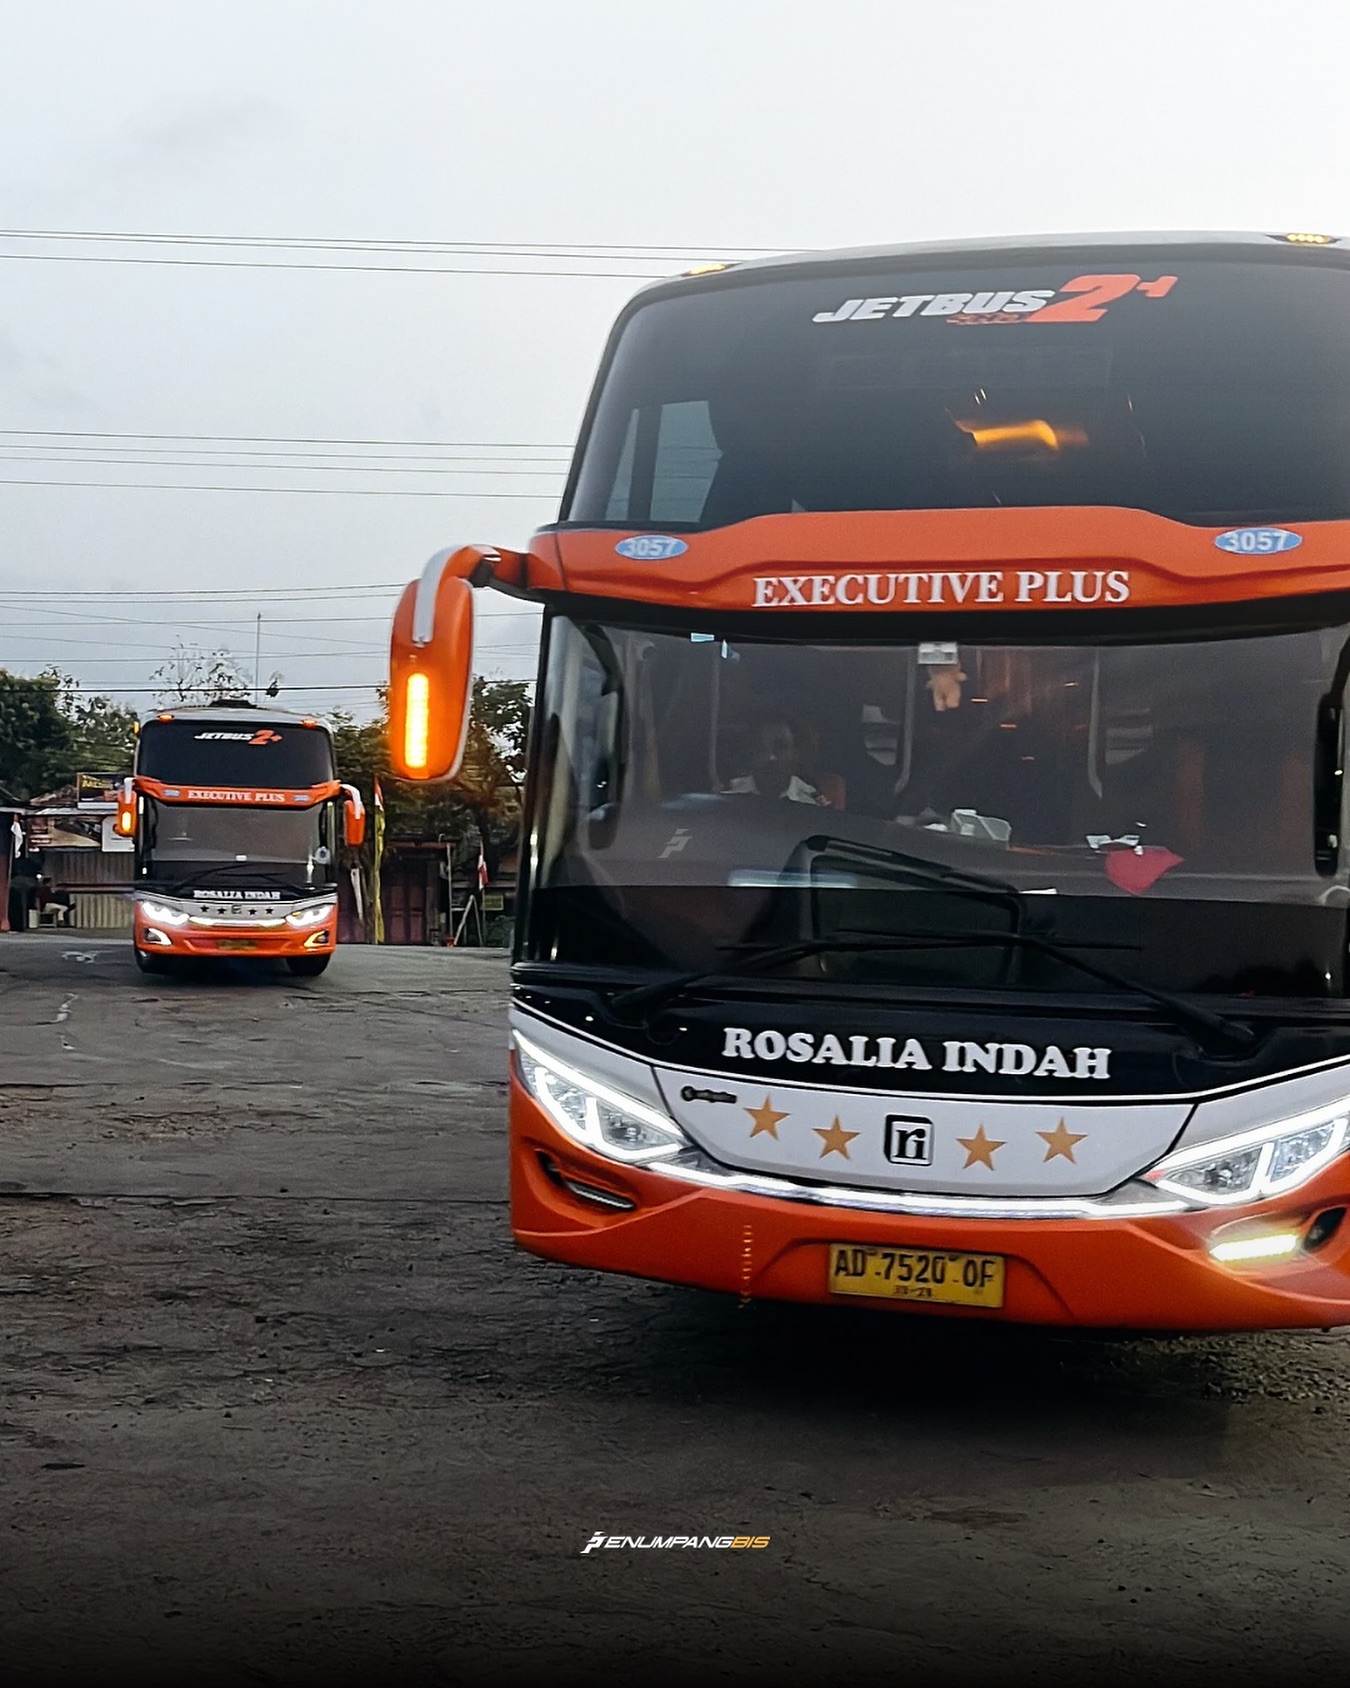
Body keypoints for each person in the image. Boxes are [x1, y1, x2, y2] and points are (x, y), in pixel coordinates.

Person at [724, 715, 830, 805]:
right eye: (762, 747)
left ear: (795, 754)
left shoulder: (810, 804)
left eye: (780, 747)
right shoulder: (728, 799)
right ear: (753, 752)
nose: (771, 757)